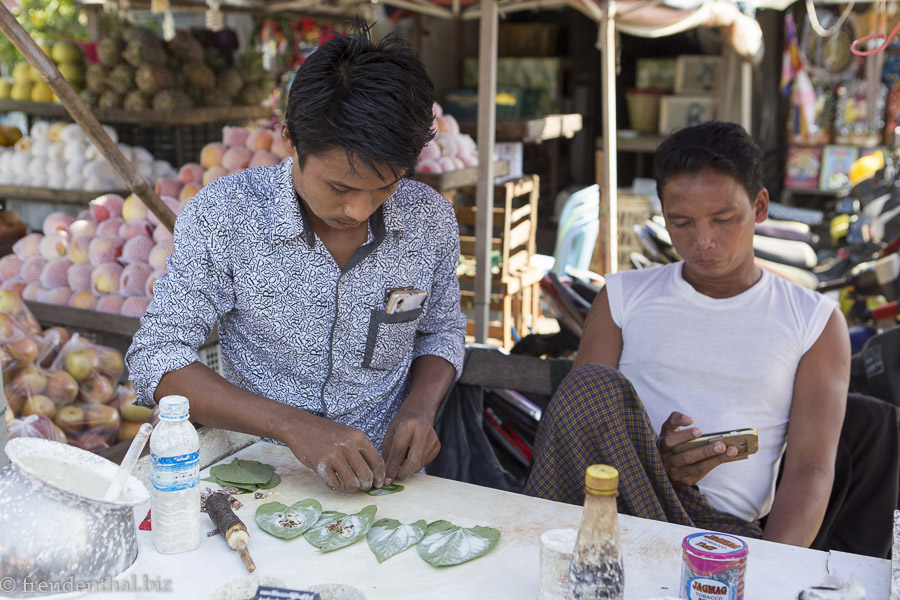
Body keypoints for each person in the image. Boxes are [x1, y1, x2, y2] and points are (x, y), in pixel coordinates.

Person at [126, 24, 467, 494]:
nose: (358, 210)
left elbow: (442, 330)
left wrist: (419, 409)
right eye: (340, 188)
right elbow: (155, 356)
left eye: (384, 186)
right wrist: (291, 426)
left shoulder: (428, 221)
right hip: (258, 473)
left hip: (387, 482)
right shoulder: (228, 213)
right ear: (290, 138)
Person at [524, 121, 850, 547]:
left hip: (722, 533)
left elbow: (811, 469)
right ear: (662, 215)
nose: (703, 240)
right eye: (681, 222)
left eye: (724, 219)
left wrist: (773, 569)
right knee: (592, 385)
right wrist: (650, 463)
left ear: (760, 206)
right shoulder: (623, 297)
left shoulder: (814, 321)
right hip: (617, 508)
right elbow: (583, 434)